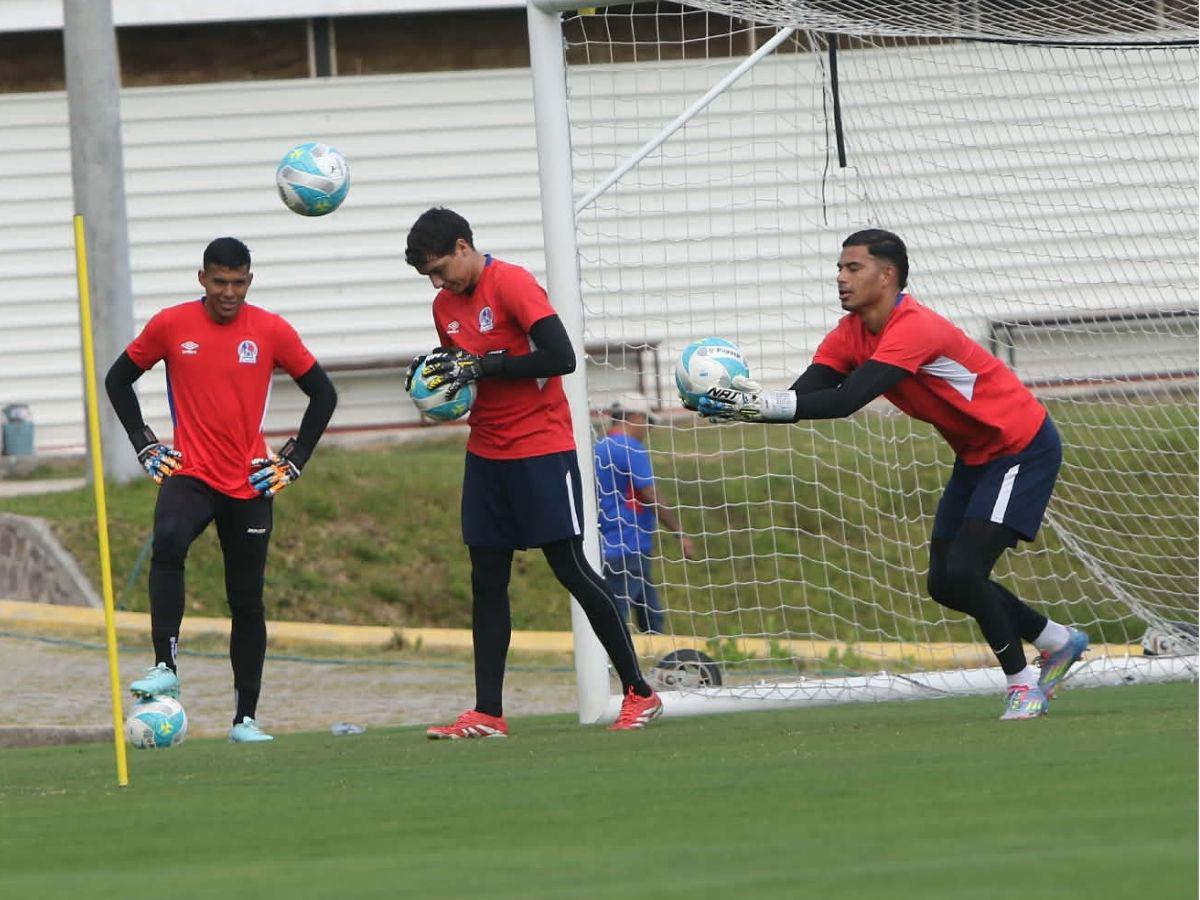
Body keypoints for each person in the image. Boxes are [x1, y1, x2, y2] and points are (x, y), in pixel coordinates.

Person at [696, 228, 1089, 721]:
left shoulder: (914, 327)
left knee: (966, 571)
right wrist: (743, 406)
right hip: (975, 455)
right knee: (944, 584)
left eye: (852, 268)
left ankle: (1022, 683)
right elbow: (804, 396)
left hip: (1020, 447)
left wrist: (755, 404)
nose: (841, 278)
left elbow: (843, 402)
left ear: (887, 275)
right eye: (839, 268)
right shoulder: (848, 333)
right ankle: (1058, 641)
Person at [404, 206, 663, 737]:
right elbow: (466, 376)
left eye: (439, 268)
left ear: (462, 246)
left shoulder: (512, 284)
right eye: (427, 276)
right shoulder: (443, 306)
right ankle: (487, 713)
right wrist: (439, 384)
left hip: (542, 449)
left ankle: (640, 691)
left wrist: (488, 363)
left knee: (571, 569)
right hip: (486, 452)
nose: (437, 281)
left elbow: (561, 357)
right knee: (486, 580)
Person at [105, 237, 337, 742]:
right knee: (168, 543)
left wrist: (294, 461)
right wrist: (145, 443)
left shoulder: (272, 330)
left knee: (246, 601)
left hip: (250, 481)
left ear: (249, 281)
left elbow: (324, 394)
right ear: (202, 279)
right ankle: (165, 664)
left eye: (237, 282)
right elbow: (118, 380)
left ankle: (245, 719)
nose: (228, 292)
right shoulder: (171, 325)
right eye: (219, 282)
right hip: (191, 473)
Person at [594, 392, 695, 634]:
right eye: (648, 423)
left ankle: (656, 654)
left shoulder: (599, 447)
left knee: (651, 611)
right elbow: (649, 493)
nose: (648, 430)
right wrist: (679, 533)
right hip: (628, 542)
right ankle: (609, 664)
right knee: (617, 612)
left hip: (606, 542)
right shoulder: (631, 448)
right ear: (637, 417)